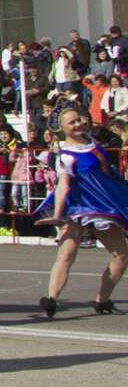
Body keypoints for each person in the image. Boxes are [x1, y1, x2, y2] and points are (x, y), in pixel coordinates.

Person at [33, 106, 128, 317]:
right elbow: (63, 186)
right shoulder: (65, 156)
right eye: (72, 123)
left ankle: (102, 300)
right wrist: (57, 215)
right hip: (77, 206)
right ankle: (51, 299)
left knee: (121, 254)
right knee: (67, 253)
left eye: (79, 120)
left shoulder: (94, 141)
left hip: (103, 203)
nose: (79, 124)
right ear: (63, 129)